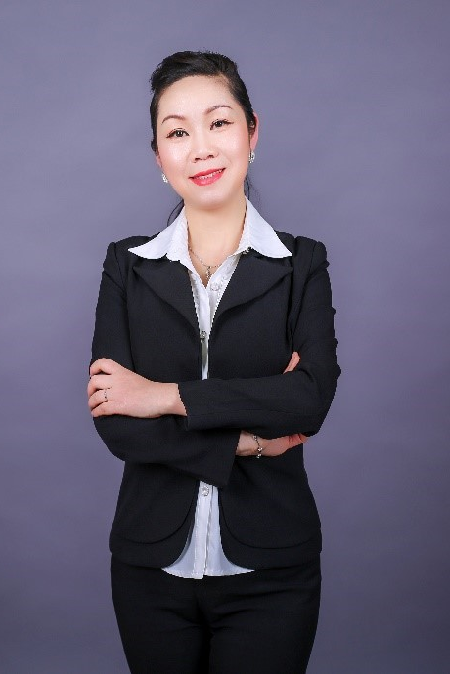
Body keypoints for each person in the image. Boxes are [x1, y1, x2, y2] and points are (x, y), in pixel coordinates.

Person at [87, 50, 340, 674]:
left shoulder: (302, 264)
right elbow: (117, 423)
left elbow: (307, 399)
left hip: (273, 569)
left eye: (219, 122)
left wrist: (162, 397)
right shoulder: (127, 266)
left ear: (252, 132)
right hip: (150, 569)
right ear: (159, 157)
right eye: (177, 132)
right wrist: (248, 441)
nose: (200, 148)